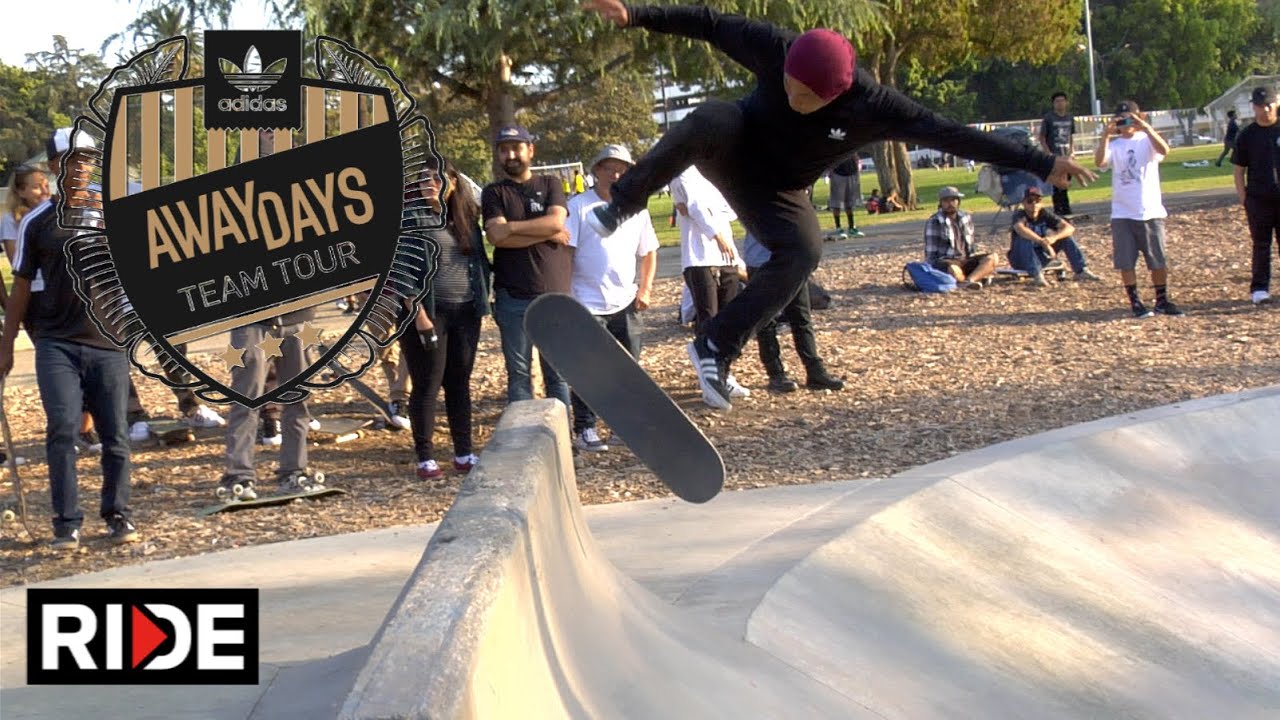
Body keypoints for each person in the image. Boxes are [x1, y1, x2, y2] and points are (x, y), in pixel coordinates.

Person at [581, 1, 1093, 411]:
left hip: (779, 192)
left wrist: (1042, 163)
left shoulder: (877, 107)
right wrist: (636, 13)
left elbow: (953, 134)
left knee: (804, 251)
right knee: (713, 115)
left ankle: (715, 345)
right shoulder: (778, 49)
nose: (792, 96)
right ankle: (623, 204)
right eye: (788, 85)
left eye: (805, 96)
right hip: (735, 150)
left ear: (838, 93)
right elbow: (711, 22)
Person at [0, 127, 138, 550]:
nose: (80, 167)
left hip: (109, 342)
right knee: (62, 428)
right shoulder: (37, 223)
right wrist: (6, 347)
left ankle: (118, 516)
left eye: (88, 159)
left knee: (115, 434)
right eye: (71, 160)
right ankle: (66, 523)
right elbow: (21, 287)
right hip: (55, 342)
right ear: (56, 167)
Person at [218, 128, 317, 500]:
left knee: (298, 392)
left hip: (298, 309)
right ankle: (239, 473)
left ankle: (295, 468)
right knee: (247, 390)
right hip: (250, 310)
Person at [565, 144, 659, 451]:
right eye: (609, 168)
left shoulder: (637, 208)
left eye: (622, 169)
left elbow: (649, 252)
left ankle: (624, 426)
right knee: (588, 369)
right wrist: (567, 295)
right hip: (586, 300)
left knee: (628, 369)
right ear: (596, 171)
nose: (616, 174)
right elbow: (568, 253)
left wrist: (644, 289)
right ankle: (586, 427)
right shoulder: (579, 206)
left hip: (626, 300)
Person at [400, 161, 491, 479]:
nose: (430, 182)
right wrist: (420, 316)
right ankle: (425, 456)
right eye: (423, 178)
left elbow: (480, 263)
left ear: (453, 181)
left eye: (437, 177)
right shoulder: (410, 218)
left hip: (465, 312)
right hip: (427, 313)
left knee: (459, 384)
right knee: (427, 384)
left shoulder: (465, 218)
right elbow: (402, 271)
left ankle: (463, 453)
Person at [481, 125, 572, 409]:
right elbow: (496, 237)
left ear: (530, 151)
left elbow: (557, 222)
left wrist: (512, 228)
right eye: (504, 149)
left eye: (517, 147)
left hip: (553, 294)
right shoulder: (494, 193)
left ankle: (562, 443)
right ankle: (522, 440)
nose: (511, 154)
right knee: (519, 375)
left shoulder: (550, 184)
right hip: (513, 297)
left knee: (557, 374)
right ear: (498, 155)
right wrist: (544, 232)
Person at [1093, 100, 1184, 318]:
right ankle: (1135, 301)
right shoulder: (1115, 146)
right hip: (1123, 212)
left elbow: (1164, 150)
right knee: (1126, 260)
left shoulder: (1146, 141)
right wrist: (1105, 135)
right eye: (1122, 120)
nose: (1127, 124)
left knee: (1157, 259)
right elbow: (1099, 162)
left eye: (1130, 118)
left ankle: (1162, 299)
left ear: (1139, 117)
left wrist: (1146, 128)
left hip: (1150, 210)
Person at [669, 164, 750, 399]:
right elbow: (695, 207)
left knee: (729, 321)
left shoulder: (717, 173)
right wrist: (716, 233)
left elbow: (730, 210)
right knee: (708, 319)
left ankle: (725, 375)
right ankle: (709, 379)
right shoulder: (683, 173)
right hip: (700, 259)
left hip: (726, 258)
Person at [743, 233, 843, 393]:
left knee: (801, 317)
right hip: (761, 260)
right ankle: (776, 374)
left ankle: (815, 371)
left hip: (792, 259)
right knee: (766, 321)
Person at [1230, 87, 1280, 305]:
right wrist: (1244, 198)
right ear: (1254, 107)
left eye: (1268, 105)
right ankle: (1259, 288)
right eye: (1260, 106)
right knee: (1261, 245)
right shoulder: (1247, 135)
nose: (1264, 110)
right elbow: (1239, 169)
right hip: (1259, 199)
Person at [1008, 186, 1101, 286]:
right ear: (1023, 203)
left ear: (1041, 202)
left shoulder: (1044, 214)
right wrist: (1042, 241)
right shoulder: (1020, 215)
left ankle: (1081, 270)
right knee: (1025, 239)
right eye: (1030, 201)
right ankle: (1037, 275)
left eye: (1037, 200)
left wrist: (1054, 238)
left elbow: (1069, 228)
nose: (1034, 204)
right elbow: (1020, 229)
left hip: (1041, 255)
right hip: (1020, 258)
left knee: (1065, 237)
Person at [923, 186, 995, 289]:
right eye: (946, 201)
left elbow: (971, 244)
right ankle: (971, 280)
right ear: (941, 203)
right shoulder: (935, 221)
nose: (950, 204)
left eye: (953, 200)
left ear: (958, 201)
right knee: (953, 269)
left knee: (992, 258)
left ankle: (969, 280)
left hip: (966, 258)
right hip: (947, 261)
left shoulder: (965, 217)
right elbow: (931, 253)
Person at [1040, 91, 1077, 216]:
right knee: (1056, 183)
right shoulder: (1049, 118)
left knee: (1066, 182)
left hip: (1066, 155)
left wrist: (1072, 151)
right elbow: (1042, 137)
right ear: (1053, 104)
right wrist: (1048, 153)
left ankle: (1066, 207)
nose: (1060, 103)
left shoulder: (1070, 117)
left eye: (1062, 101)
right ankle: (1058, 208)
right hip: (1054, 155)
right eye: (1057, 101)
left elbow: (1071, 136)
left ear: (1066, 102)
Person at [827, 156, 865, 238]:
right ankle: (838, 228)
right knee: (837, 202)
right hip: (838, 173)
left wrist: (857, 164)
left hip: (852, 172)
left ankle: (851, 227)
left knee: (850, 202)